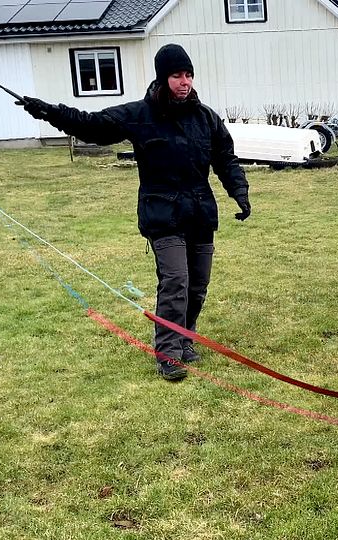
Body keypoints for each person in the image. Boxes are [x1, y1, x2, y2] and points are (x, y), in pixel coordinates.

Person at [18, 44, 251, 381]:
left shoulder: (206, 118)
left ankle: (185, 339)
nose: (184, 82)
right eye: (176, 75)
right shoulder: (141, 115)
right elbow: (92, 126)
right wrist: (47, 111)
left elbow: (226, 159)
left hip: (200, 213)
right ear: (162, 77)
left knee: (198, 286)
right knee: (176, 282)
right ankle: (168, 353)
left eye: (188, 75)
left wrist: (239, 193)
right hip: (162, 214)